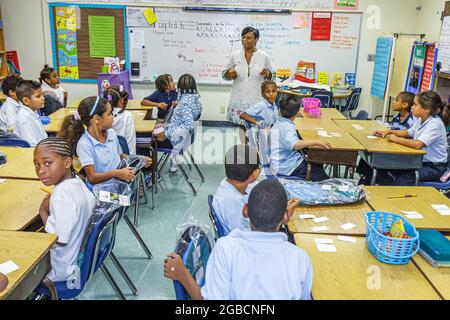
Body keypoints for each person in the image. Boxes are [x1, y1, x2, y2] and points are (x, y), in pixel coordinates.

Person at [164, 179, 313, 300]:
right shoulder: (300, 258)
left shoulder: (226, 247)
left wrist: (183, 274)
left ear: (245, 210)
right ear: (286, 216)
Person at [34, 137, 96, 283]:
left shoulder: (61, 195)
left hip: (61, 270)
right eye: (37, 165)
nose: (41, 171)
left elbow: (58, 240)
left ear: (67, 162)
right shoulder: (78, 182)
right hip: (77, 257)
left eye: (48, 163)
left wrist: (43, 211)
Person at [58, 97, 150, 188]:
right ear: (96, 119)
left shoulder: (112, 133)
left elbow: (120, 155)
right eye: (109, 114)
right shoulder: (84, 144)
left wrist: (138, 159)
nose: (113, 116)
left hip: (117, 184)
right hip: (100, 192)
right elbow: (92, 178)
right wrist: (116, 173)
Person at [366, 91, 449, 185]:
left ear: (427, 110)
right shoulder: (421, 119)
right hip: (418, 161)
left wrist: (395, 139)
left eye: (416, 105)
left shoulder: (435, 124)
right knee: (381, 166)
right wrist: (388, 132)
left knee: (403, 179)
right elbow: (408, 133)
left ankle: (392, 195)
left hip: (433, 167)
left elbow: (418, 144)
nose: (412, 107)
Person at [223, 27, 273, 141]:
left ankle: (257, 153)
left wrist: (268, 74)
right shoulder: (235, 56)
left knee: (257, 129)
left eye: (249, 37)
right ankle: (245, 152)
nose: (245, 40)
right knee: (242, 127)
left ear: (256, 39)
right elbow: (224, 75)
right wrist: (229, 74)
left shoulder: (264, 56)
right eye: (243, 37)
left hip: (257, 100)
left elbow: (272, 76)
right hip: (239, 99)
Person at [269, 94, 331, 181]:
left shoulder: (279, 122)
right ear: (298, 112)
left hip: (279, 161)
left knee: (316, 164)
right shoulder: (287, 127)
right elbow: (294, 144)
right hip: (287, 166)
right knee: (321, 176)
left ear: (280, 109)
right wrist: (316, 141)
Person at [154, 74, 202, 173]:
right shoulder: (195, 99)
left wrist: (166, 134)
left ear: (180, 87)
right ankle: (172, 164)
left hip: (176, 140)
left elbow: (188, 125)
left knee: (149, 142)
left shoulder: (183, 104)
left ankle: (152, 174)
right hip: (185, 138)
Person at [13, 80, 47, 146]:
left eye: (42, 95)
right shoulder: (25, 118)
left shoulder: (33, 111)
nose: (43, 98)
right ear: (26, 101)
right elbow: (31, 145)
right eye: (38, 96)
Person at [104, 87, 137, 155]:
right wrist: (131, 159)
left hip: (105, 154)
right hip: (123, 155)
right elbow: (130, 140)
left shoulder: (101, 114)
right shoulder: (127, 115)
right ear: (121, 100)